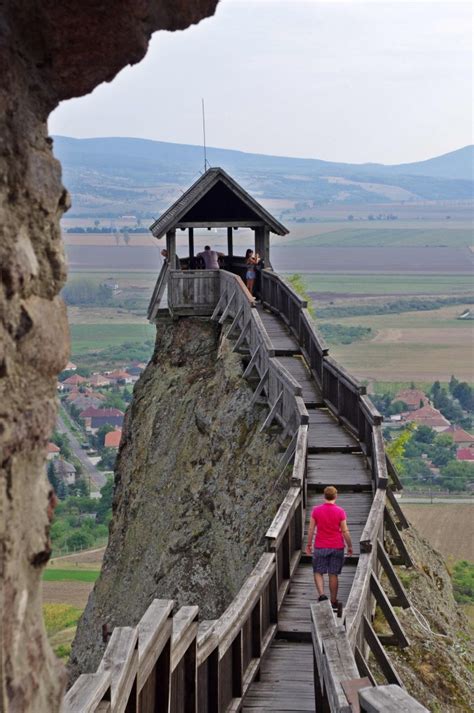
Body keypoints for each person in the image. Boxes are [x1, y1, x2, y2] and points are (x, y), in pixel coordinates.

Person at [305, 485, 353, 611]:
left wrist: (309, 544)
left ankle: (321, 595)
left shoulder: (316, 510)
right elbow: (345, 531)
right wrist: (350, 545)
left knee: (318, 571)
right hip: (337, 547)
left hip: (320, 546)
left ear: (324, 496)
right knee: (333, 574)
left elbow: (311, 529)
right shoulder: (340, 511)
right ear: (335, 496)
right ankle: (333, 601)